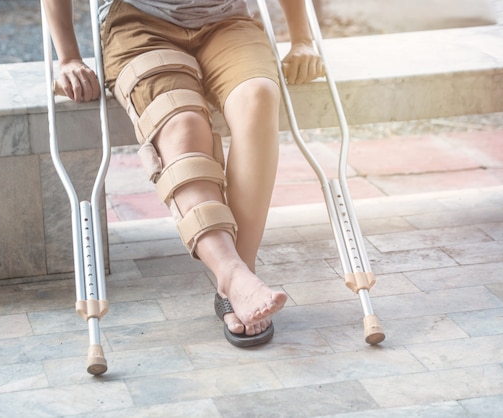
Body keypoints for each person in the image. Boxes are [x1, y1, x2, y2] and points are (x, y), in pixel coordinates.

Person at [42, 0, 323, 347]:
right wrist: (68, 57)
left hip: (228, 20)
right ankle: (234, 276)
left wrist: (302, 39)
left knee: (258, 96)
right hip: (137, 25)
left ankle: (238, 277)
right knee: (181, 123)